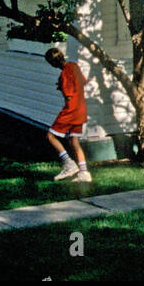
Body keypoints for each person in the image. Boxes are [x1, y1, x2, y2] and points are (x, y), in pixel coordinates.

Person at [44, 46, 91, 183]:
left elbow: (69, 95)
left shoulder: (64, 74)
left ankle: (69, 164)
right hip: (82, 108)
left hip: (71, 110)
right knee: (74, 141)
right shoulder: (73, 65)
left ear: (52, 64)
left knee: (50, 136)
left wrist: (63, 89)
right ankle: (84, 173)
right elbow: (82, 81)